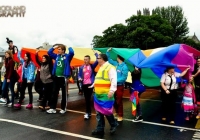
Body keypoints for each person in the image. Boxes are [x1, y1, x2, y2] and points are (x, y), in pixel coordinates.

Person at [91, 53, 118, 135]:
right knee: (99, 112)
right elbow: (98, 79)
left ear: (102, 59)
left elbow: (114, 80)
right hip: (98, 94)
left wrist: (112, 91)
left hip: (106, 94)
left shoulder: (110, 67)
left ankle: (113, 125)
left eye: (98, 58)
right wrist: (93, 86)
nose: (97, 59)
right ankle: (100, 128)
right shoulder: (101, 67)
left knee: (107, 111)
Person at [46, 44, 74, 114]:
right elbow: (49, 53)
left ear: (63, 50)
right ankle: (52, 108)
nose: (58, 50)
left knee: (64, 94)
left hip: (63, 77)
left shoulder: (67, 56)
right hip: (56, 77)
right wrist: (53, 48)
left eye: (59, 49)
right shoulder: (56, 56)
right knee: (54, 93)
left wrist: (68, 46)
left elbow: (72, 53)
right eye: (58, 49)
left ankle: (63, 108)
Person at [106, 48, 128, 121]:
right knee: (114, 99)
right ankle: (116, 112)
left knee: (119, 100)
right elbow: (109, 60)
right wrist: (107, 51)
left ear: (119, 58)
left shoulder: (125, 67)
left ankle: (120, 115)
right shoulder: (116, 64)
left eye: (117, 57)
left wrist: (114, 81)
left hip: (119, 86)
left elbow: (124, 78)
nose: (116, 58)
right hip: (114, 85)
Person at [78, 51, 98, 119]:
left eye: (86, 59)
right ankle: (88, 113)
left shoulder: (92, 66)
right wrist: (79, 78)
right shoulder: (81, 67)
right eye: (84, 59)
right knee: (87, 99)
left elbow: (97, 60)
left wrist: (96, 54)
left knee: (88, 98)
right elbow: (79, 75)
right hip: (84, 85)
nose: (85, 61)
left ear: (89, 60)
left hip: (90, 84)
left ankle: (89, 112)